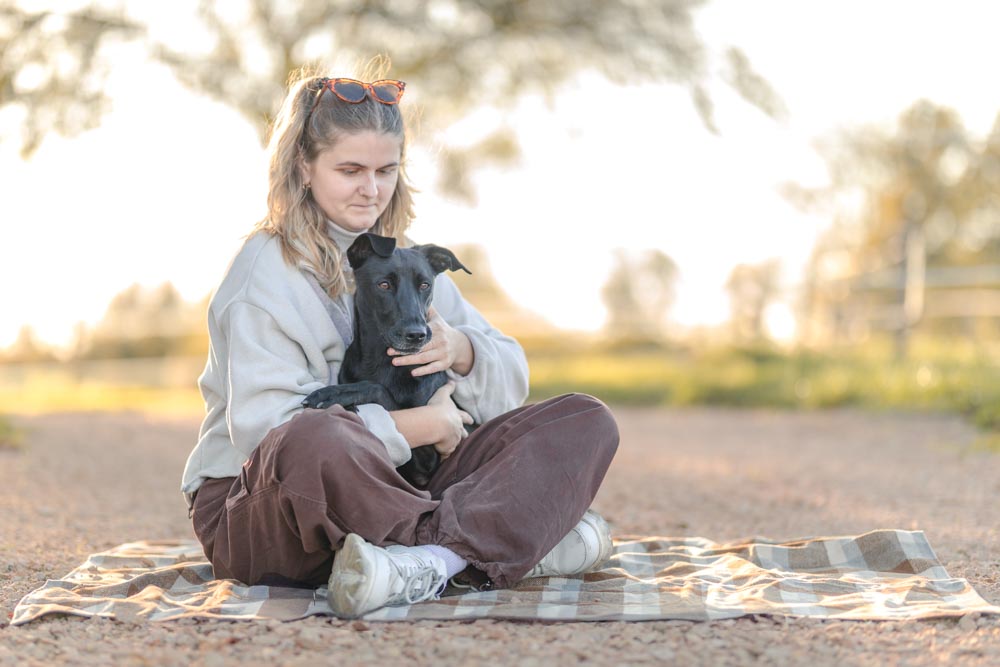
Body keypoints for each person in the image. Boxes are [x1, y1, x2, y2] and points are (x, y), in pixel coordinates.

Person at [181, 69, 620, 619]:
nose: (372, 188)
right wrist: (429, 425)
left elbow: (510, 383)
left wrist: (459, 347)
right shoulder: (261, 276)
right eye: (351, 170)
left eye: (386, 170)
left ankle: (422, 561)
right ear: (303, 167)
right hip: (267, 511)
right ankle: (502, 542)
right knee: (316, 436)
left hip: (406, 485)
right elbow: (264, 437)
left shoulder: (407, 262)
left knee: (584, 419)